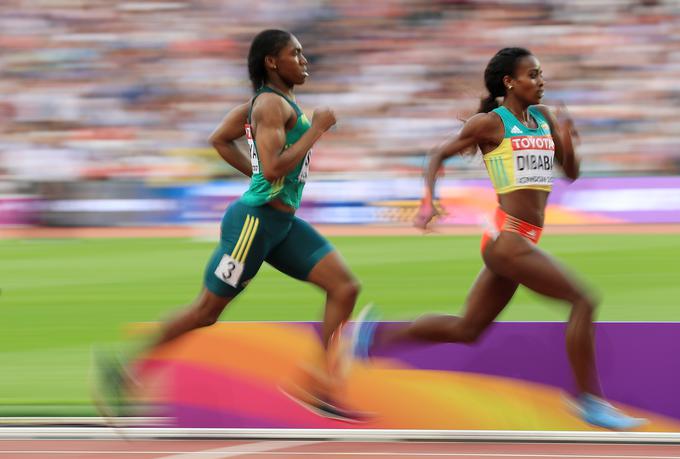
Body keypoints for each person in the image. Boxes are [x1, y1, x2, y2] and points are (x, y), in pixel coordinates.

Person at [350, 47, 645, 430]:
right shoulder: (491, 123)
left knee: (468, 329)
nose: (541, 82)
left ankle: (374, 336)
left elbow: (570, 173)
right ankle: (589, 400)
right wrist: (428, 203)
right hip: (507, 238)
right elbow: (437, 154)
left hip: (520, 240)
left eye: (541, 75)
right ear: (510, 81)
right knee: (583, 300)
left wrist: (570, 142)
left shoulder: (544, 119)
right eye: (532, 75)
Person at [94, 29, 363, 422]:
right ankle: (126, 371)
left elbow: (220, 139)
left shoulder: (272, 104)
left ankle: (319, 382)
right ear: (272, 62)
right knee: (206, 311)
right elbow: (271, 167)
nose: (305, 60)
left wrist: (257, 175)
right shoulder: (270, 106)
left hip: (282, 224)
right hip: (254, 224)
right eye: (296, 53)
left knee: (344, 286)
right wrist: (317, 131)